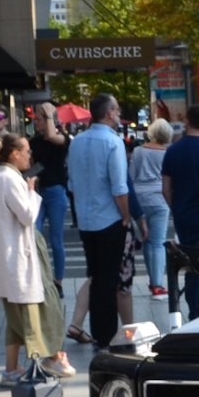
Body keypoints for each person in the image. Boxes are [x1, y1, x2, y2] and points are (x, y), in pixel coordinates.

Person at [0, 131, 74, 385]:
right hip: (19, 260)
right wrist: (31, 190)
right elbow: (28, 216)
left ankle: (11, 369)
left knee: (15, 319)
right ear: (15, 154)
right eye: (26, 152)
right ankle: (51, 358)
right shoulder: (11, 180)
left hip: (4, 259)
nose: (29, 156)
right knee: (37, 313)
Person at [66, 92, 132, 347]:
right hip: (109, 220)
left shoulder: (76, 142)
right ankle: (105, 335)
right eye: (116, 109)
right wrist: (125, 216)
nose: (118, 113)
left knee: (96, 275)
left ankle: (98, 332)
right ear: (109, 113)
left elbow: (72, 183)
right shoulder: (113, 143)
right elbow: (120, 188)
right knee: (108, 279)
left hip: (86, 220)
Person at [161, 103, 199, 320]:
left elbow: (165, 188)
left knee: (189, 263)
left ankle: (194, 310)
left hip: (183, 216)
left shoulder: (172, 151)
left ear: (186, 121)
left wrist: (176, 207)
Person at [129, 118, 173, 314]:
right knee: (157, 242)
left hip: (139, 198)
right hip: (160, 199)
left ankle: (152, 281)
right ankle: (156, 284)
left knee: (147, 241)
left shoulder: (138, 151)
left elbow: (131, 176)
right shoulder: (168, 153)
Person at [28, 108, 70, 284]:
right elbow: (31, 165)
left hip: (56, 192)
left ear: (48, 121)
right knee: (33, 233)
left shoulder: (61, 139)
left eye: (38, 119)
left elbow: (53, 137)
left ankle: (58, 281)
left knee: (55, 239)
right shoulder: (34, 142)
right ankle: (39, 276)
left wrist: (50, 114)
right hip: (39, 191)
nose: (34, 122)